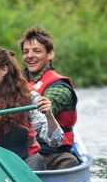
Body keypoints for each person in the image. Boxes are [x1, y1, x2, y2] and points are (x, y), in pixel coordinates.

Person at [0, 47, 64, 171]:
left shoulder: (29, 98)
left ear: (4, 70)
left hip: (22, 167)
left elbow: (56, 141)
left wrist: (49, 115)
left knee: (37, 159)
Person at [19, 26, 79, 170]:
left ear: (50, 54)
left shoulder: (59, 87)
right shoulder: (16, 81)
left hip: (52, 153)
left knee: (68, 161)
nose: (30, 55)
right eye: (26, 52)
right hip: (21, 152)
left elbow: (45, 107)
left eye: (37, 51)